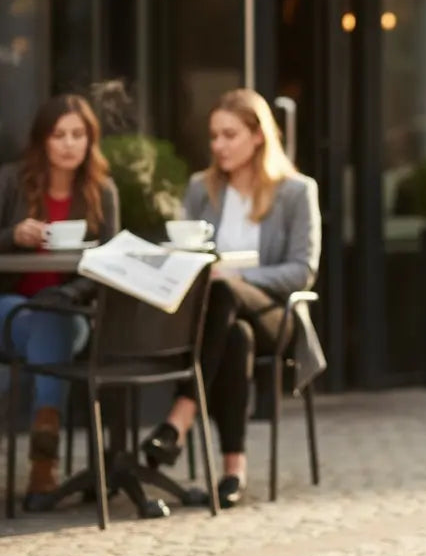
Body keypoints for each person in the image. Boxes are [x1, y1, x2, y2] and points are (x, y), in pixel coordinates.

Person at [141, 89, 322, 508]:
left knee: (223, 289)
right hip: (219, 322)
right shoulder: (201, 189)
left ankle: (179, 418)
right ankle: (232, 470)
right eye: (213, 136)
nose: (218, 145)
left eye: (229, 135)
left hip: (278, 314)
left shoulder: (296, 191)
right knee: (234, 333)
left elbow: (302, 270)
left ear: (257, 136)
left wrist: (236, 274)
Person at [0, 94, 120, 510]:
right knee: (40, 315)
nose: (69, 144)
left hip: (74, 311)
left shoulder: (101, 192)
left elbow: (110, 265)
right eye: (59, 135)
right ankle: (43, 453)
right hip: (10, 309)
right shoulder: (10, 182)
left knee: (53, 316)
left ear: (90, 141)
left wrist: (69, 293)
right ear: (42, 141)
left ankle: (44, 451)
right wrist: (12, 237)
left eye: (78, 135)